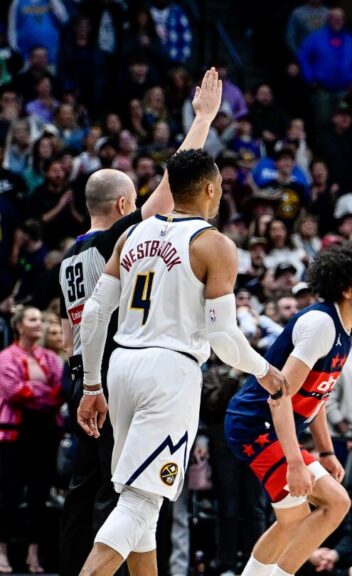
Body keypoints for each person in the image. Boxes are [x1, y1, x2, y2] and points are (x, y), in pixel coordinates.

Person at [74, 147, 288, 576]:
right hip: (170, 371)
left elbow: (95, 313)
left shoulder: (131, 234)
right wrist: (265, 370)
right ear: (210, 188)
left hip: (122, 367)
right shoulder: (214, 243)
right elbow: (223, 337)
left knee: (143, 504)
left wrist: (92, 385)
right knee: (139, 502)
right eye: (222, 187)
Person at [58, 68, 221, 576]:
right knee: (130, 495)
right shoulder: (119, 239)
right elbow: (174, 187)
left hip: (83, 375)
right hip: (122, 369)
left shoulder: (67, 258)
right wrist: (202, 120)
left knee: (84, 489)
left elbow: (69, 330)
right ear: (125, 206)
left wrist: (81, 378)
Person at [225, 240, 352, 576]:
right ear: (347, 288)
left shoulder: (349, 326)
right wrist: (294, 462)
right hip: (256, 425)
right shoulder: (321, 325)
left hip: (272, 426)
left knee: (313, 511)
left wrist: (327, 453)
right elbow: (279, 396)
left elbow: (318, 397)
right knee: (316, 509)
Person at [0, 306, 64, 574]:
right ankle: (2, 552)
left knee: (39, 493)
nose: (38, 324)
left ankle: (33, 554)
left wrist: (37, 389)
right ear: (19, 325)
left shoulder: (50, 358)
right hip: (14, 432)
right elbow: (15, 391)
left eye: (40, 319)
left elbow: (60, 391)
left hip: (45, 433)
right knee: (8, 494)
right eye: (32, 319)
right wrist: (42, 390)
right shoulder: (6, 357)